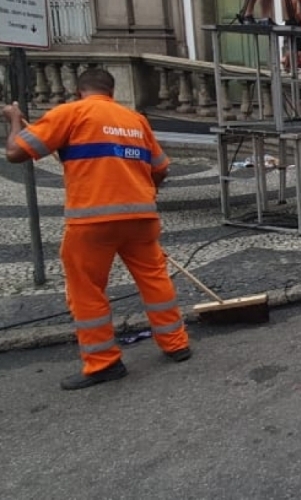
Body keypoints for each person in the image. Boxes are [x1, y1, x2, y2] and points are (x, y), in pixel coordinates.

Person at [4, 69, 191, 390]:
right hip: (141, 217)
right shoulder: (134, 120)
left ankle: (104, 362)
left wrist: (14, 119)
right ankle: (176, 344)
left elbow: (15, 153)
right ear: (112, 91)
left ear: (79, 91)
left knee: (87, 290)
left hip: (92, 221)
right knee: (154, 279)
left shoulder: (70, 113)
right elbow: (160, 168)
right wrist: (144, 193)